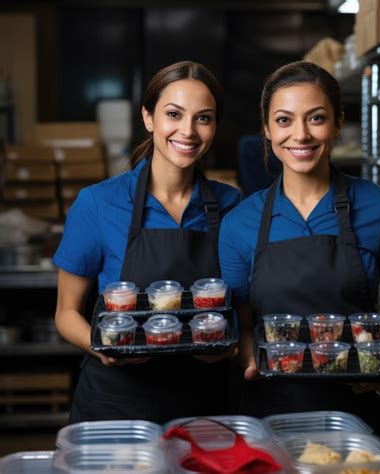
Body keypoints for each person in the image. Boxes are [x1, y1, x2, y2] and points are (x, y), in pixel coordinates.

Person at [218, 61, 380, 466]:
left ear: (338, 123)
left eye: (316, 118)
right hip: (272, 414)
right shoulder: (240, 224)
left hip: (364, 419)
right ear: (266, 128)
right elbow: (242, 328)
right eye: (284, 120)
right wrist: (251, 362)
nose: (300, 134)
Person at [54, 61, 243, 424]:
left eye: (203, 118)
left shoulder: (232, 206)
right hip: (117, 404)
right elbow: (66, 314)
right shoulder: (98, 203)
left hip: (206, 404)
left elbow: (243, 312)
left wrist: (230, 345)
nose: (187, 131)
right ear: (148, 117)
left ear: (215, 125)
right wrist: (102, 346)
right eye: (174, 114)